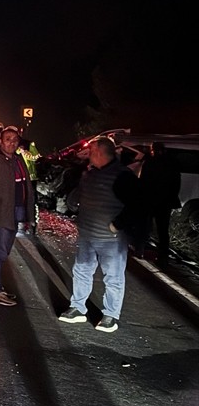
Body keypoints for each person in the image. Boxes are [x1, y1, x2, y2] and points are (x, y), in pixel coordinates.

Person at [58, 135, 140, 332]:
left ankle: (111, 315)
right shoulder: (90, 173)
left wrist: (117, 225)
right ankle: (78, 308)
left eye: (91, 151)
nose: (88, 155)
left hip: (110, 239)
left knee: (113, 277)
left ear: (99, 152)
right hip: (87, 235)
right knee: (82, 271)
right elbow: (76, 198)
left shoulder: (123, 176)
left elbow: (137, 205)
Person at [0, 125, 37, 306]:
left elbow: (26, 187)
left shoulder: (17, 160)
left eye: (15, 140)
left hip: (15, 211)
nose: (11, 143)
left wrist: (28, 215)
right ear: (1, 141)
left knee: (4, 250)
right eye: (8, 139)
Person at [140, 142, 182, 265]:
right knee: (163, 230)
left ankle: (143, 250)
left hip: (151, 200)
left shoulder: (150, 163)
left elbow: (144, 182)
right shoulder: (172, 163)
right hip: (165, 202)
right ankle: (163, 256)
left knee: (146, 226)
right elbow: (176, 183)